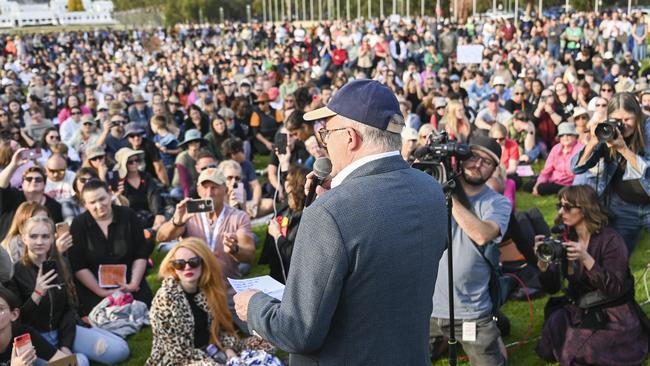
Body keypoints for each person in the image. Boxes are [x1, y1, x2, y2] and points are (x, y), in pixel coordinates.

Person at [234, 79, 446, 365]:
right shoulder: (430, 188)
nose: (324, 143)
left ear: (350, 137)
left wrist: (254, 305)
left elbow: (298, 332)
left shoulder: (329, 213)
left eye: (326, 133)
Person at [535, 185, 649, 365]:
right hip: (580, 307)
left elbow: (615, 289)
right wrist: (543, 262)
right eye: (560, 206)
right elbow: (552, 288)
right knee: (548, 346)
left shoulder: (611, 240)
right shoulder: (566, 238)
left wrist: (587, 259)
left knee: (582, 352)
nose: (562, 211)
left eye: (567, 207)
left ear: (586, 209)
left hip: (613, 312)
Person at [430, 134, 512, 366]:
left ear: (494, 169)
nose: (477, 164)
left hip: (471, 313)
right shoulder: (428, 191)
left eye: (486, 162)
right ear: (460, 158)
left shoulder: (497, 203)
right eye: (473, 156)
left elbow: (482, 234)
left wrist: (447, 195)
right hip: (426, 308)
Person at [4, 216, 130, 366]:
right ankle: (77, 356)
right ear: (24, 238)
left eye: (45, 236)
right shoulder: (15, 272)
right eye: (33, 236)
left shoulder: (61, 264)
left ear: (52, 238)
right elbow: (17, 320)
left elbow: (69, 308)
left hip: (63, 331)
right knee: (80, 362)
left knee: (121, 350)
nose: (39, 242)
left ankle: (79, 346)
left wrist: (66, 344)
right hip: (34, 340)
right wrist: (37, 294)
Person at [156, 168, 255, 329]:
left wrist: (235, 249)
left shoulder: (238, 216)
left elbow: (249, 255)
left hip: (226, 286)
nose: (210, 192)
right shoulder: (188, 214)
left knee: (256, 331)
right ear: (199, 190)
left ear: (225, 189)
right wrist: (177, 222)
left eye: (215, 187)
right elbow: (161, 237)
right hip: (194, 287)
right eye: (205, 187)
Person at [572, 92, 650, 253]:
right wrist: (594, 140)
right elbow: (577, 167)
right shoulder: (608, 132)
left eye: (628, 119)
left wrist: (623, 149)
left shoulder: (647, 130)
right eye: (617, 120)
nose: (623, 125)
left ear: (638, 115)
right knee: (617, 258)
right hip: (623, 206)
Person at [146, 237, 241, 365]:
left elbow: (222, 329)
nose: (187, 268)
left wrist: (230, 351)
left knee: (264, 345)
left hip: (210, 351)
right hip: (177, 361)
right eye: (179, 264)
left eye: (194, 262)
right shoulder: (165, 299)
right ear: (173, 267)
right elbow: (178, 353)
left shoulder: (209, 290)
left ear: (204, 263)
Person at [68, 179, 154, 316]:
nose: (99, 205)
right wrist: (100, 291)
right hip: (95, 287)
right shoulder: (79, 224)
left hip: (131, 282)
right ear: (85, 205)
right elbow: (78, 265)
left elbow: (140, 253)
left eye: (102, 199)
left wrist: (133, 283)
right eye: (92, 202)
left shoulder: (128, 215)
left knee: (142, 311)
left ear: (109, 194)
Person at [258, 166, 307, 283]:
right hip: (277, 274)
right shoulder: (285, 209)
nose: (285, 184)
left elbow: (295, 256)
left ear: (295, 187)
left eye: (288, 181)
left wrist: (277, 235)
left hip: (295, 280)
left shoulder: (306, 218)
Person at [0, 149, 63, 240]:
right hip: (7, 249)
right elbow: (1, 185)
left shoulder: (55, 206)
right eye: (29, 179)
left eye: (38, 179)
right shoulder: (12, 196)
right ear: (22, 184)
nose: (33, 181)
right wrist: (13, 165)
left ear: (44, 184)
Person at [0, 286, 69, 365]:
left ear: (14, 315)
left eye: (0, 308)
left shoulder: (23, 334)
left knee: (80, 359)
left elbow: (65, 361)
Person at [109, 147, 166, 229]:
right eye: (130, 162)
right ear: (124, 164)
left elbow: (154, 195)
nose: (135, 163)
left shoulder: (146, 176)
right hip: (130, 216)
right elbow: (118, 206)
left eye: (137, 160)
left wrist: (158, 213)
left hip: (149, 213)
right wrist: (119, 195)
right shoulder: (118, 181)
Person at [525, 123, 583, 196]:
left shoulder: (580, 149)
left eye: (568, 134)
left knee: (541, 188)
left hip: (569, 183)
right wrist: (538, 184)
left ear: (575, 136)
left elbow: (578, 173)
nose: (565, 137)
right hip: (553, 179)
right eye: (562, 135)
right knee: (528, 186)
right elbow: (547, 169)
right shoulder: (556, 148)